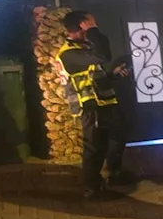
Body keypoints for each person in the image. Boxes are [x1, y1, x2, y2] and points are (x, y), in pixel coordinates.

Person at [55, 11, 131, 199]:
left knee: (114, 139)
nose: (94, 25)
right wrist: (93, 31)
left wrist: (113, 75)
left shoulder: (82, 47)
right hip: (89, 106)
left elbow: (96, 71)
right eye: (90, 23)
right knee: (94, 147)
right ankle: (92, 188)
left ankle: (111, 174)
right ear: (82, 25)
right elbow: (103, 55)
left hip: (102, 101)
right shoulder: (68, 53)